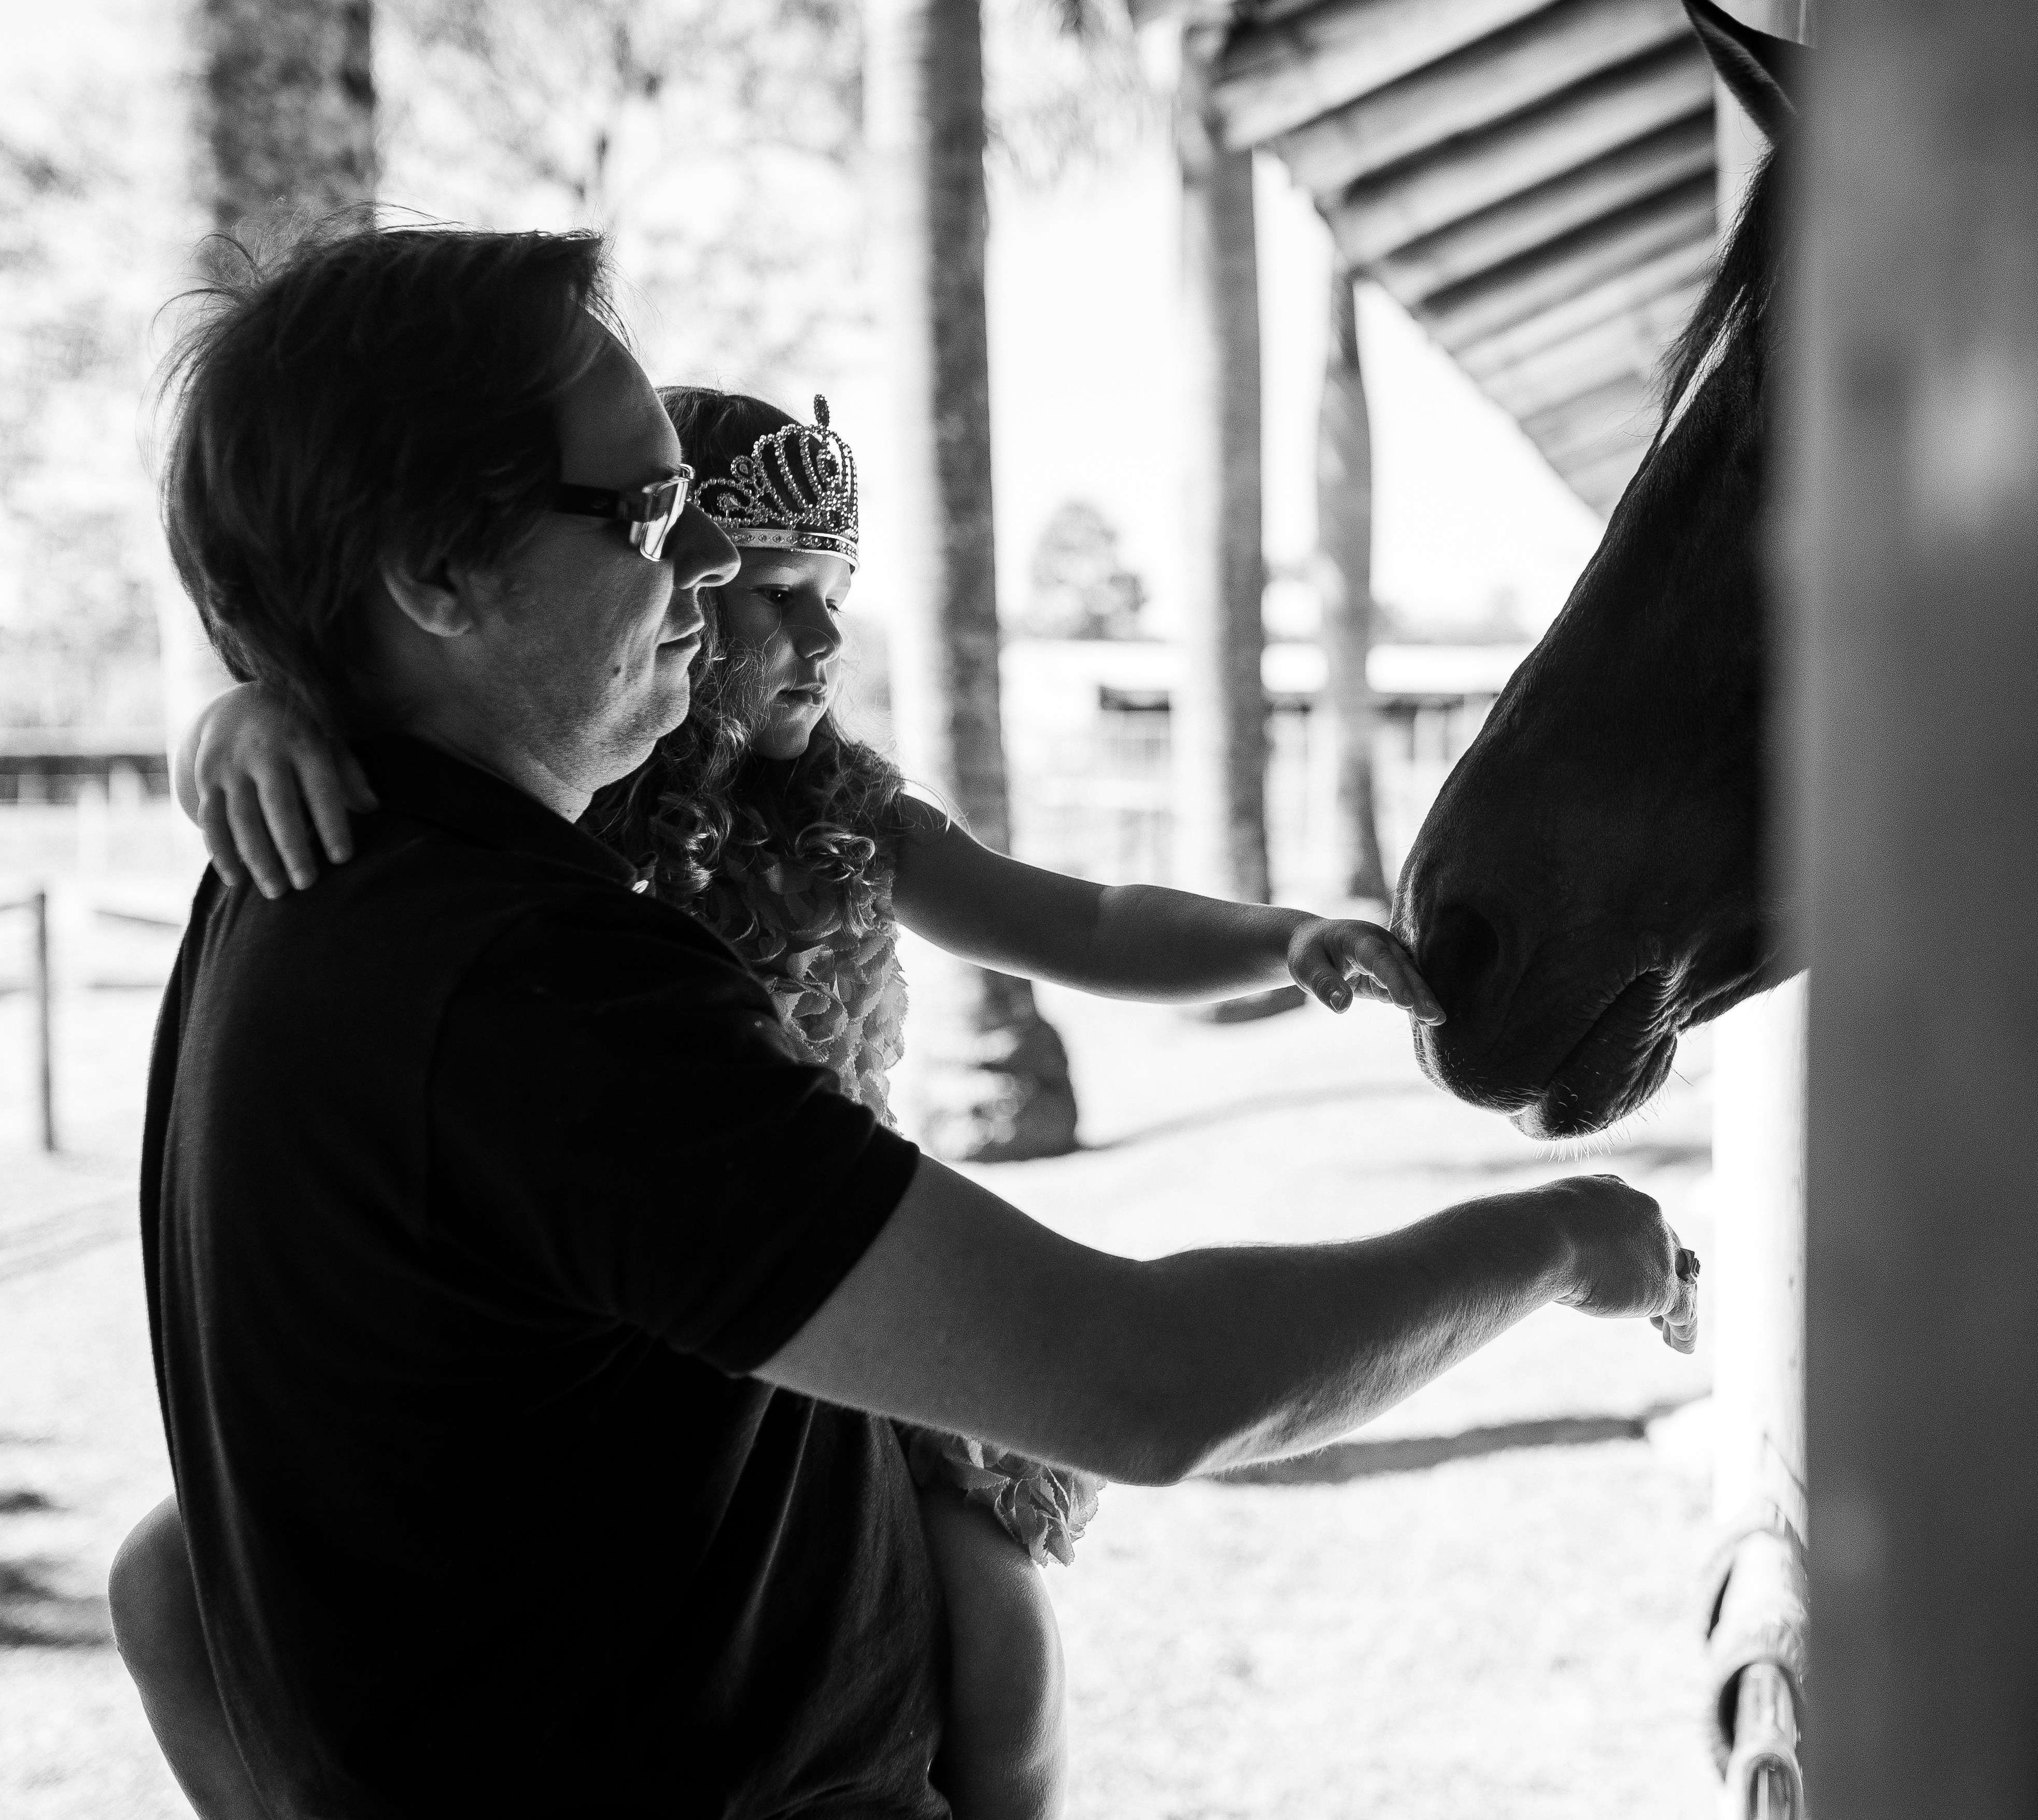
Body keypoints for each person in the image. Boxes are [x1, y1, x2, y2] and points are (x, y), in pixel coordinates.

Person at [121, 219, 1697, 1820]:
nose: (717, 573)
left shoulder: (319, 879)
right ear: (436, 576)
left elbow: (1065, 920)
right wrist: (1555, 1243)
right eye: (655, 513)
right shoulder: (532, 986)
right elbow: (1146, 1384)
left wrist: (268, 694)